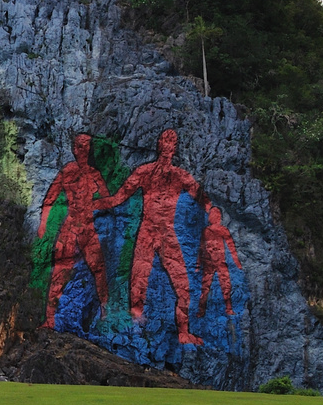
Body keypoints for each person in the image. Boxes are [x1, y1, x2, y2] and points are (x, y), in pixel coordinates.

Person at [97, 128, 203, 345]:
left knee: (183, 284)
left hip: (168, 233)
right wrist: (95, 204)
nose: (167, 145)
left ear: (175, 148)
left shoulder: (180, 176)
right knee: (138, 277)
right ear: (158, 144)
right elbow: (119, 197)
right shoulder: (144, 172)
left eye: (171, 141)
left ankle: (183, 332)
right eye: (164, 140)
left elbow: (203, 199)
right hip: (147, 229)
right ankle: (135, 320)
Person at [38, 134, 111, 329]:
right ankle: (50, 319)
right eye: (80, 146)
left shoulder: (95, 174)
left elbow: (107, 200)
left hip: (88, 227)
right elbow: (50, 198)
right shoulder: (68, 171)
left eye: (87, 146)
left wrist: (95, 204)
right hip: (70, 228)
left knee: (99, 269)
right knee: (60, 270)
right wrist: (43, 224)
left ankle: (105, 312)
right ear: (74, 148)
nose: (83, 149)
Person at [199, 205, 242, 316]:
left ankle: (205, 310)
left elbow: (231, 247)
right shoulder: (212, 230)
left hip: (216, 262)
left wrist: (237, 263)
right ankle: (204, 310)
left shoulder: (215, 230)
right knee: (219, 285)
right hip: (214, 262)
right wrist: (237, 263)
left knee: (214, 286)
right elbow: (231, 247)